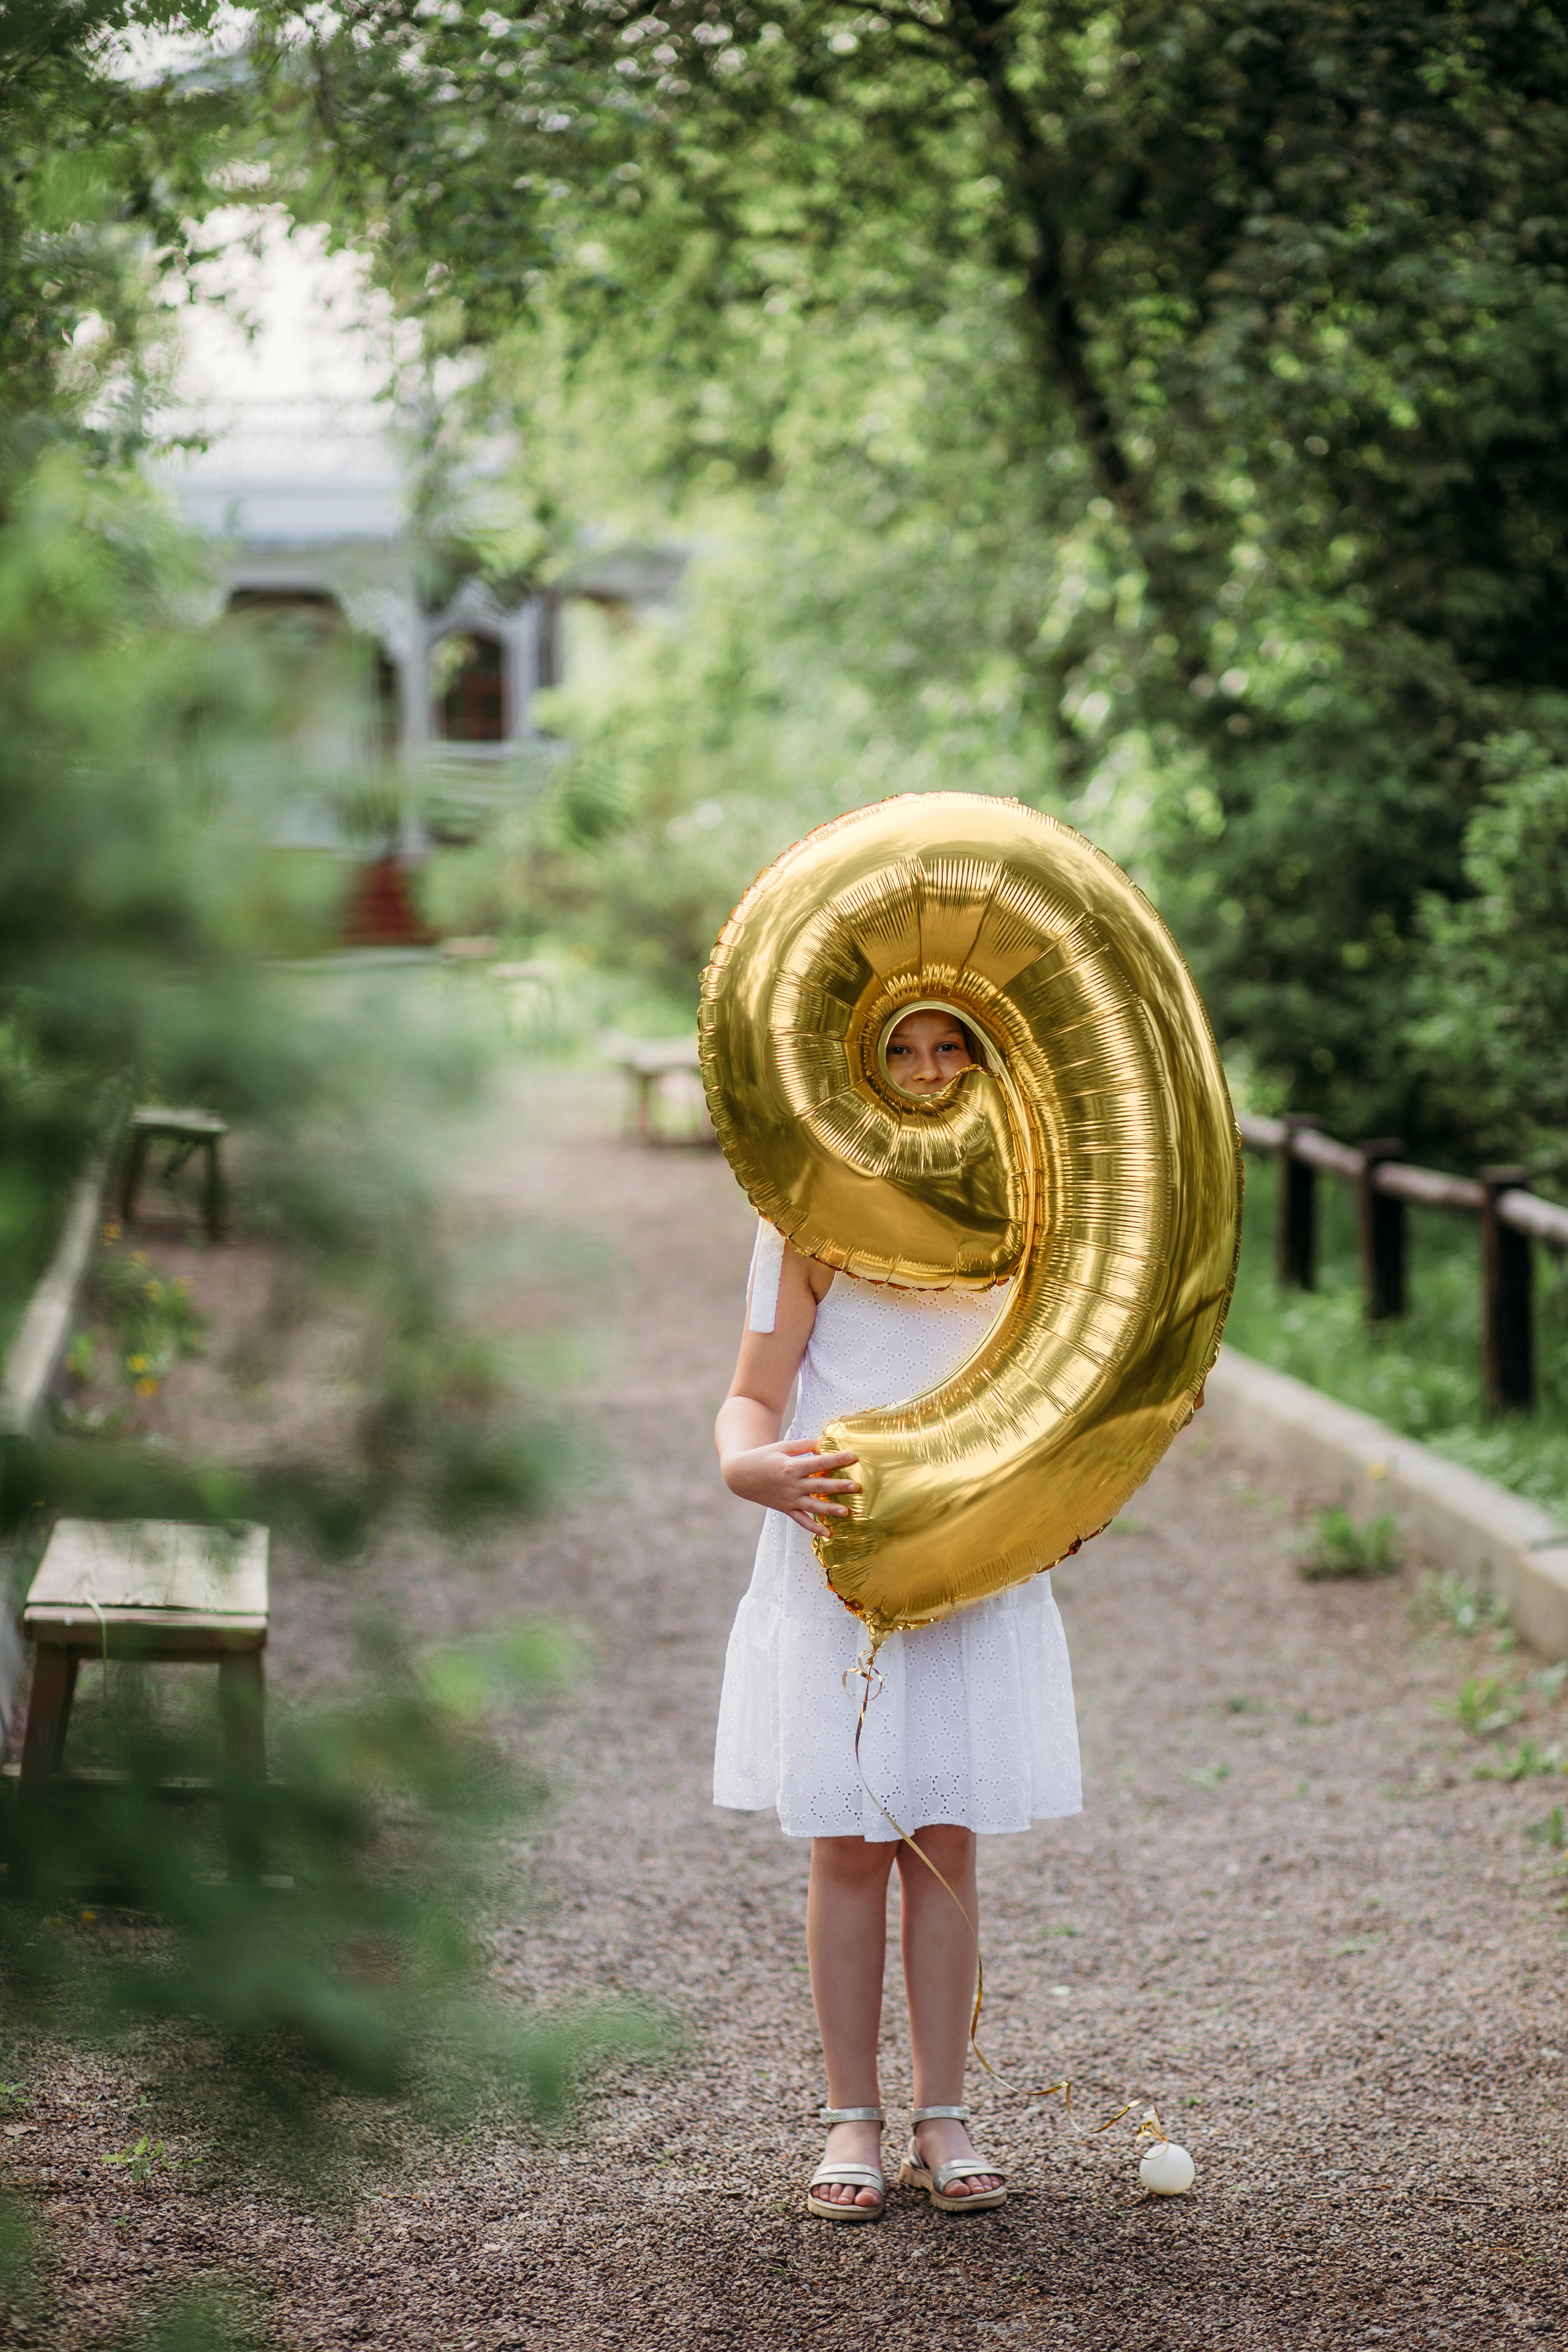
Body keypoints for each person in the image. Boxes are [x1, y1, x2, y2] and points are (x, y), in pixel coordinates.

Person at [712, 1006, 1082, 2223]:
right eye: (902, 1053)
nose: (927, 1072)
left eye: (951, 1049)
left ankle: (943, 2111)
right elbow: (749, 1399)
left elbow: (1059, 1388)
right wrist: (748, 1469)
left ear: (985, 1059)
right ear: (864, 1072)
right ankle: (848, 2121)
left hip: (971, 1561)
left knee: (945, 1829)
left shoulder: (1018, 1209)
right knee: (848, 1840)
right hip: (835, 1561)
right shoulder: (808, 1210)